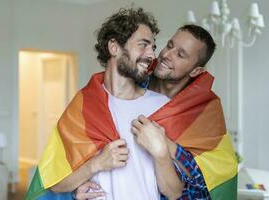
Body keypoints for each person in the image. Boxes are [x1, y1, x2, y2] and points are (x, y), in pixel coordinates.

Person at [26, 7, 183, 200]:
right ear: (114, 47)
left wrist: (160, 153)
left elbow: (174, 192)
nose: (152, 55)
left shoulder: (162, 107)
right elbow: (55, 184)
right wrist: (96, 164)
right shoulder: (83, 106)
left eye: (153, 47)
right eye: (143, 44)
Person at [75, 25, 238, 199]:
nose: (167, 55)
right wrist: (80, 185)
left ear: (196, 71)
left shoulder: (205, 109)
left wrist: (166, 145)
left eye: (180, 54)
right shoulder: (129, 81)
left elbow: (203, 183)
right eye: (169, 45)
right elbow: (84, 149)